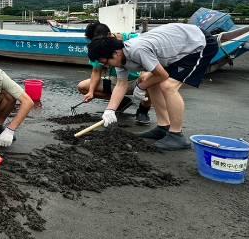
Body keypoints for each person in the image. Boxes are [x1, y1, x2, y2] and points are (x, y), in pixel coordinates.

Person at [87, 23, 219, 151]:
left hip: (198, 43)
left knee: (168, 86)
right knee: (150, 81)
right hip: (177, 45)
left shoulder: (137, 50)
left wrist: (140, 86)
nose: (105, 65)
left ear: (116, 53)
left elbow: (162, 75)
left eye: (104, 61)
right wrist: (110, 110)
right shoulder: (119, 60)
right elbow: (121, 84)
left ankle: (176, 135)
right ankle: (163, 127)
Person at [77, 22, 151, 124]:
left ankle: (143, 110)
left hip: (137, 82)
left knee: (150, 79)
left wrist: (142, 85)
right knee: (83, 86)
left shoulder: (131, 40)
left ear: (108, 35)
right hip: (115, 82)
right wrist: (91, 91)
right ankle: (121, 102)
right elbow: (96, 71)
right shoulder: (97, 48)